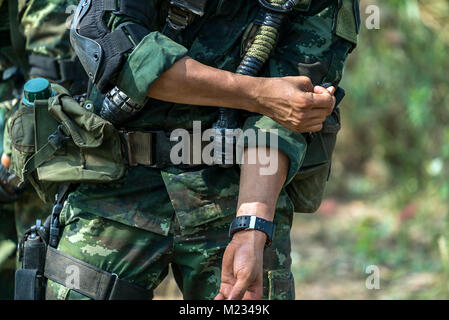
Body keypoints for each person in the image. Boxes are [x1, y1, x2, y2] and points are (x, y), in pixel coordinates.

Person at [40, 0, 360, 300]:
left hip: (236, 188)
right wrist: (259, 94)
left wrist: (251, 227)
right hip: (118, 178)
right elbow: (123, 55)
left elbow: (289, 109)